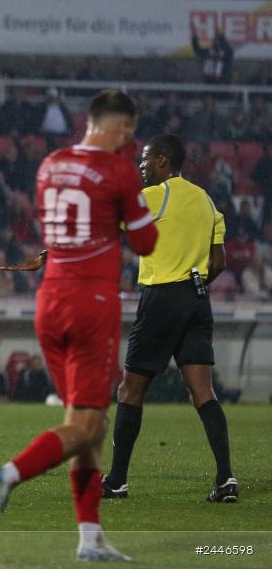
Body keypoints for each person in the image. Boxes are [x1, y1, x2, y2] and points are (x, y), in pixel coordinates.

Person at [0, 90, 158, 561]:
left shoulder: (50, 165)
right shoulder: (118, 170)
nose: (130, 140)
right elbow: (146, 243)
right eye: (129, 131)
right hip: (90, 305)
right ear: (117, 126)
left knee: (85, 425)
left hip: (49, 302)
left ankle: (90, 537)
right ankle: (7, 475)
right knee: (87, 425)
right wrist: (130, 213)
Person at [104, 134, 238, 504]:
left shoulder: (154, 196)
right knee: (203, 391)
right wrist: (193, 283)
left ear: (164, 161)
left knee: (130, 389)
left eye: (146, 159)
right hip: (197, 299)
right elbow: (219, 262)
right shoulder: (206, 200)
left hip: (161, 297)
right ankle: (226, 478)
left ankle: (116, 481)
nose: (141, 166)